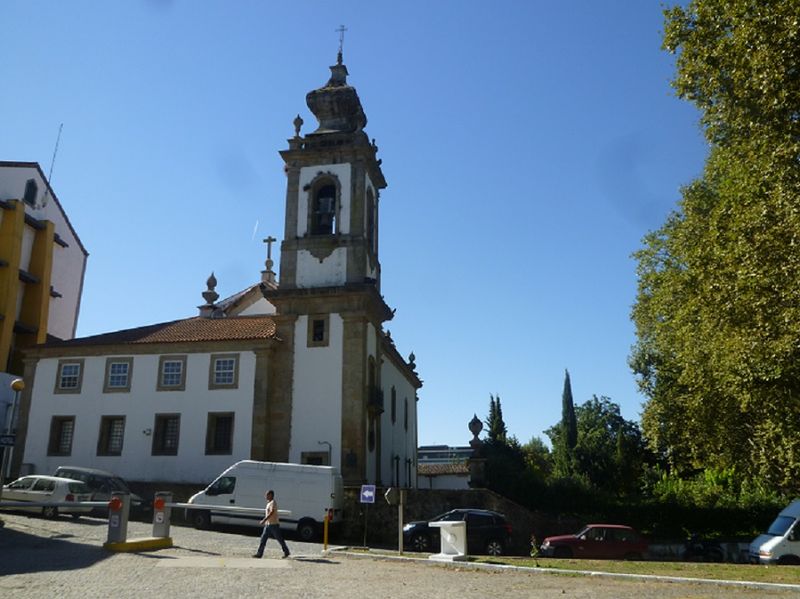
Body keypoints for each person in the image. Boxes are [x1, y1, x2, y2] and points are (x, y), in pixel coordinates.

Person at [252, 490, 290, 559]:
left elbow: (272, 512)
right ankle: (259, 553)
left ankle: (286, 551)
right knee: (263, 539)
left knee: (279, 539)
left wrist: (264, 520)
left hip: (274, 524)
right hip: (268, 525)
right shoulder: (269, 503)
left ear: (271, 495)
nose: (265, 496)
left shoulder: (273, 502)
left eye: (267, 495)